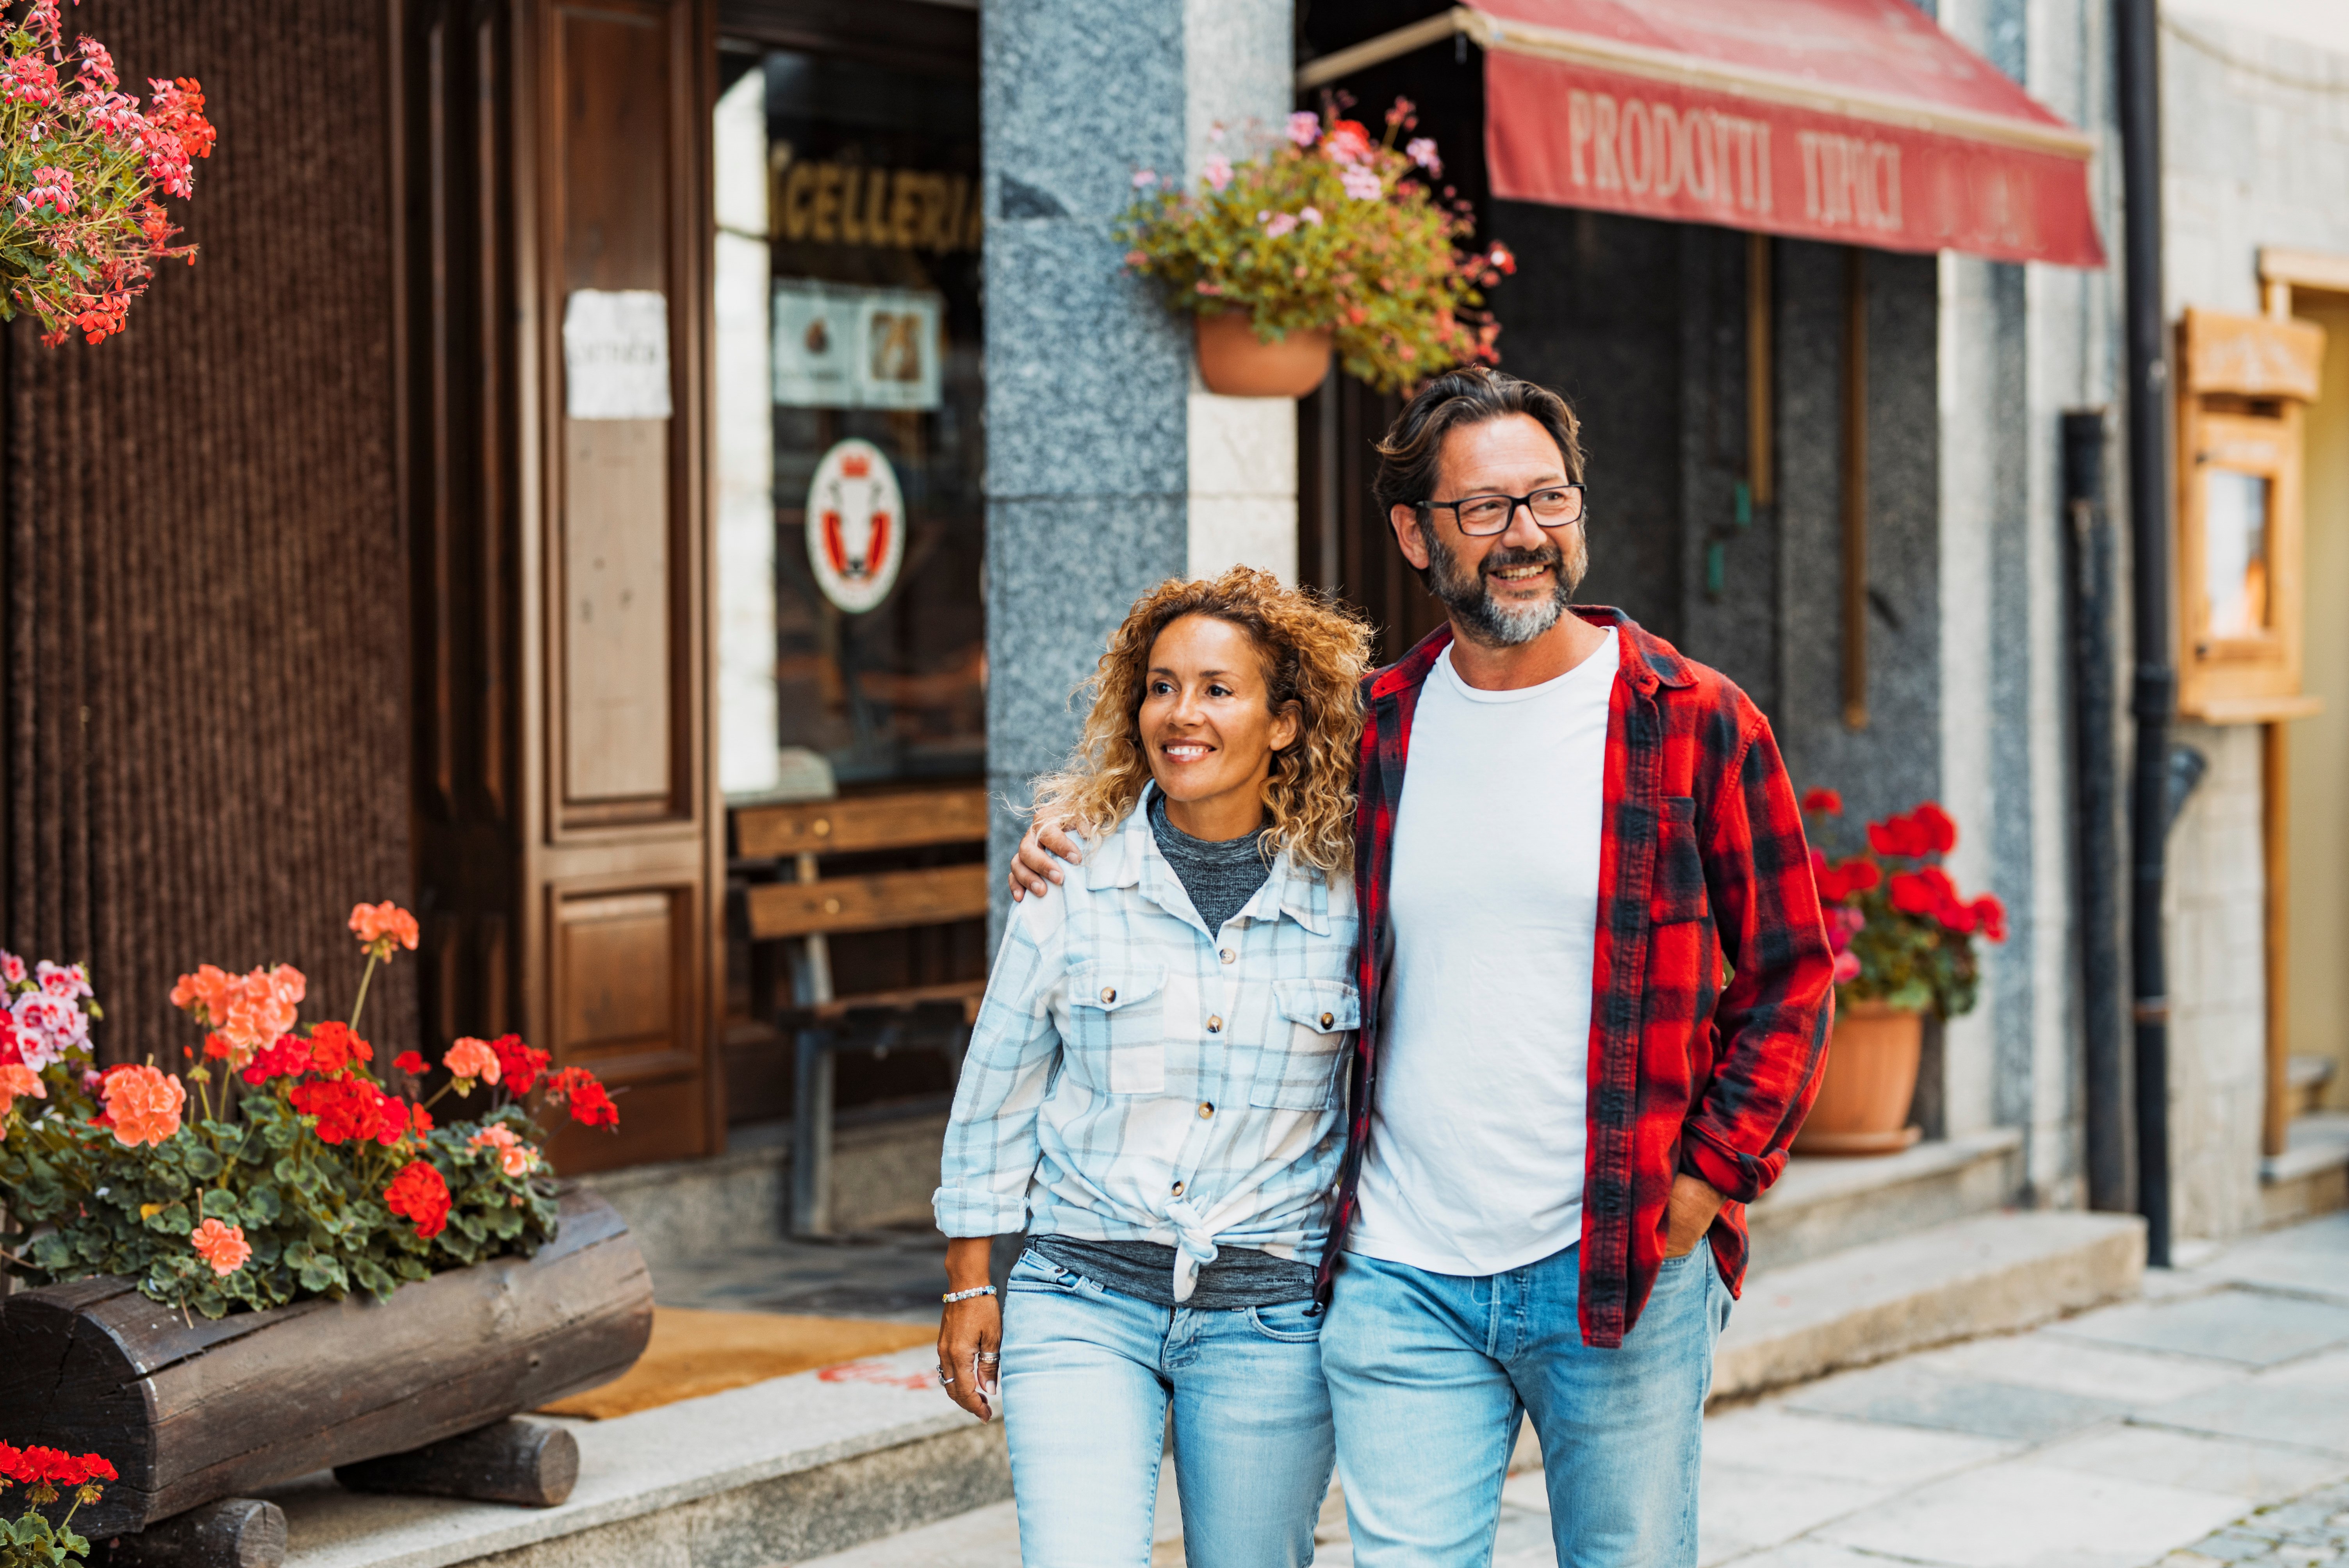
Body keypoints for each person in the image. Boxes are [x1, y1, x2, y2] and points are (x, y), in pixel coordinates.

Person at [1010, 367, 1836, 1566]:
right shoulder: (1372, 729)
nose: (1527, 539)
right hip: (1400, 1271)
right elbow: (1216, 799)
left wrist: (1708, 1180)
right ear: (1415, 533)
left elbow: (1795, 974)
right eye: (1486, 510)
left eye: (1548, 502)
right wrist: (1081, 833)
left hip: (1619, 1249)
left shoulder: (1692, 718)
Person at [934, 567, 1372, 1568]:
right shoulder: (1072, 877)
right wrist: (969, 1281)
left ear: (1285, 722)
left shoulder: (1350, 896)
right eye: (1162, 685)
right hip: (1080, 1294)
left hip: (1268, 1313)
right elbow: (997, 1083)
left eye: (1219, 689)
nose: (1182, 714)